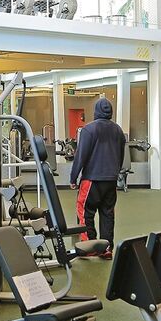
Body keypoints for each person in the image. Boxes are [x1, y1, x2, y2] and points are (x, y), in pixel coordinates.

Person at [69, 97, 127, 259]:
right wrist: (115, 172)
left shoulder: (89, 129)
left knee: (85, 212)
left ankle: (89, 246)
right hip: (111, 180)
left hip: (91, 180)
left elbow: (81, 156)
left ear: (95, 111)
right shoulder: (118, 130)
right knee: (107, 214)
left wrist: (73, 178)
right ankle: (106, 247)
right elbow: (121, 156)